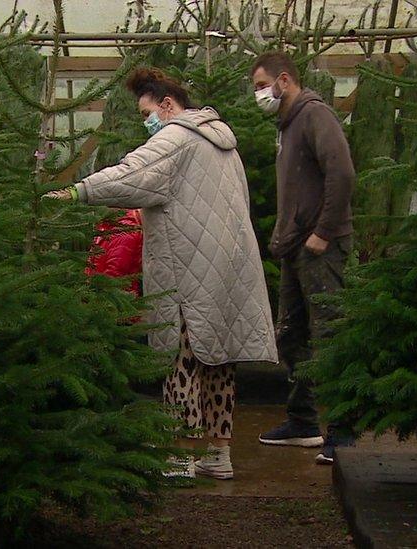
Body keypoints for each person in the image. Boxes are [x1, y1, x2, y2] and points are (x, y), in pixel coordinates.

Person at [45, 68, 277, 479]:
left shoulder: (175, 137)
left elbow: (130, 174)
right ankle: (219, 455)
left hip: (187, 268)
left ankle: (180, 456)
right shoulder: (224, 141)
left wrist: (76, 191)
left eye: (146, 111)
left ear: (167, 105)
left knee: (181, 361)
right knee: (220, 361)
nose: (145, 121)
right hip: (229, 269)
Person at [249, 51, 356, 465]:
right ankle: (302, 420)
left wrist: (324, 232)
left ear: (285, 80)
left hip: (320, 247)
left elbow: (342, 173)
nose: (259, 94)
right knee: (293, 334)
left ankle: (343, 431)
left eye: (262, 86)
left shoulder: (315, 116)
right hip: (294, 246)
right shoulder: (287, 125)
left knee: (330, 334)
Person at [85, 209, 143, 297]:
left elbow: (115, 273)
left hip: (116, 300)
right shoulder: (107, 227)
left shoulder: (124, 232)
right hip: (99, 295)